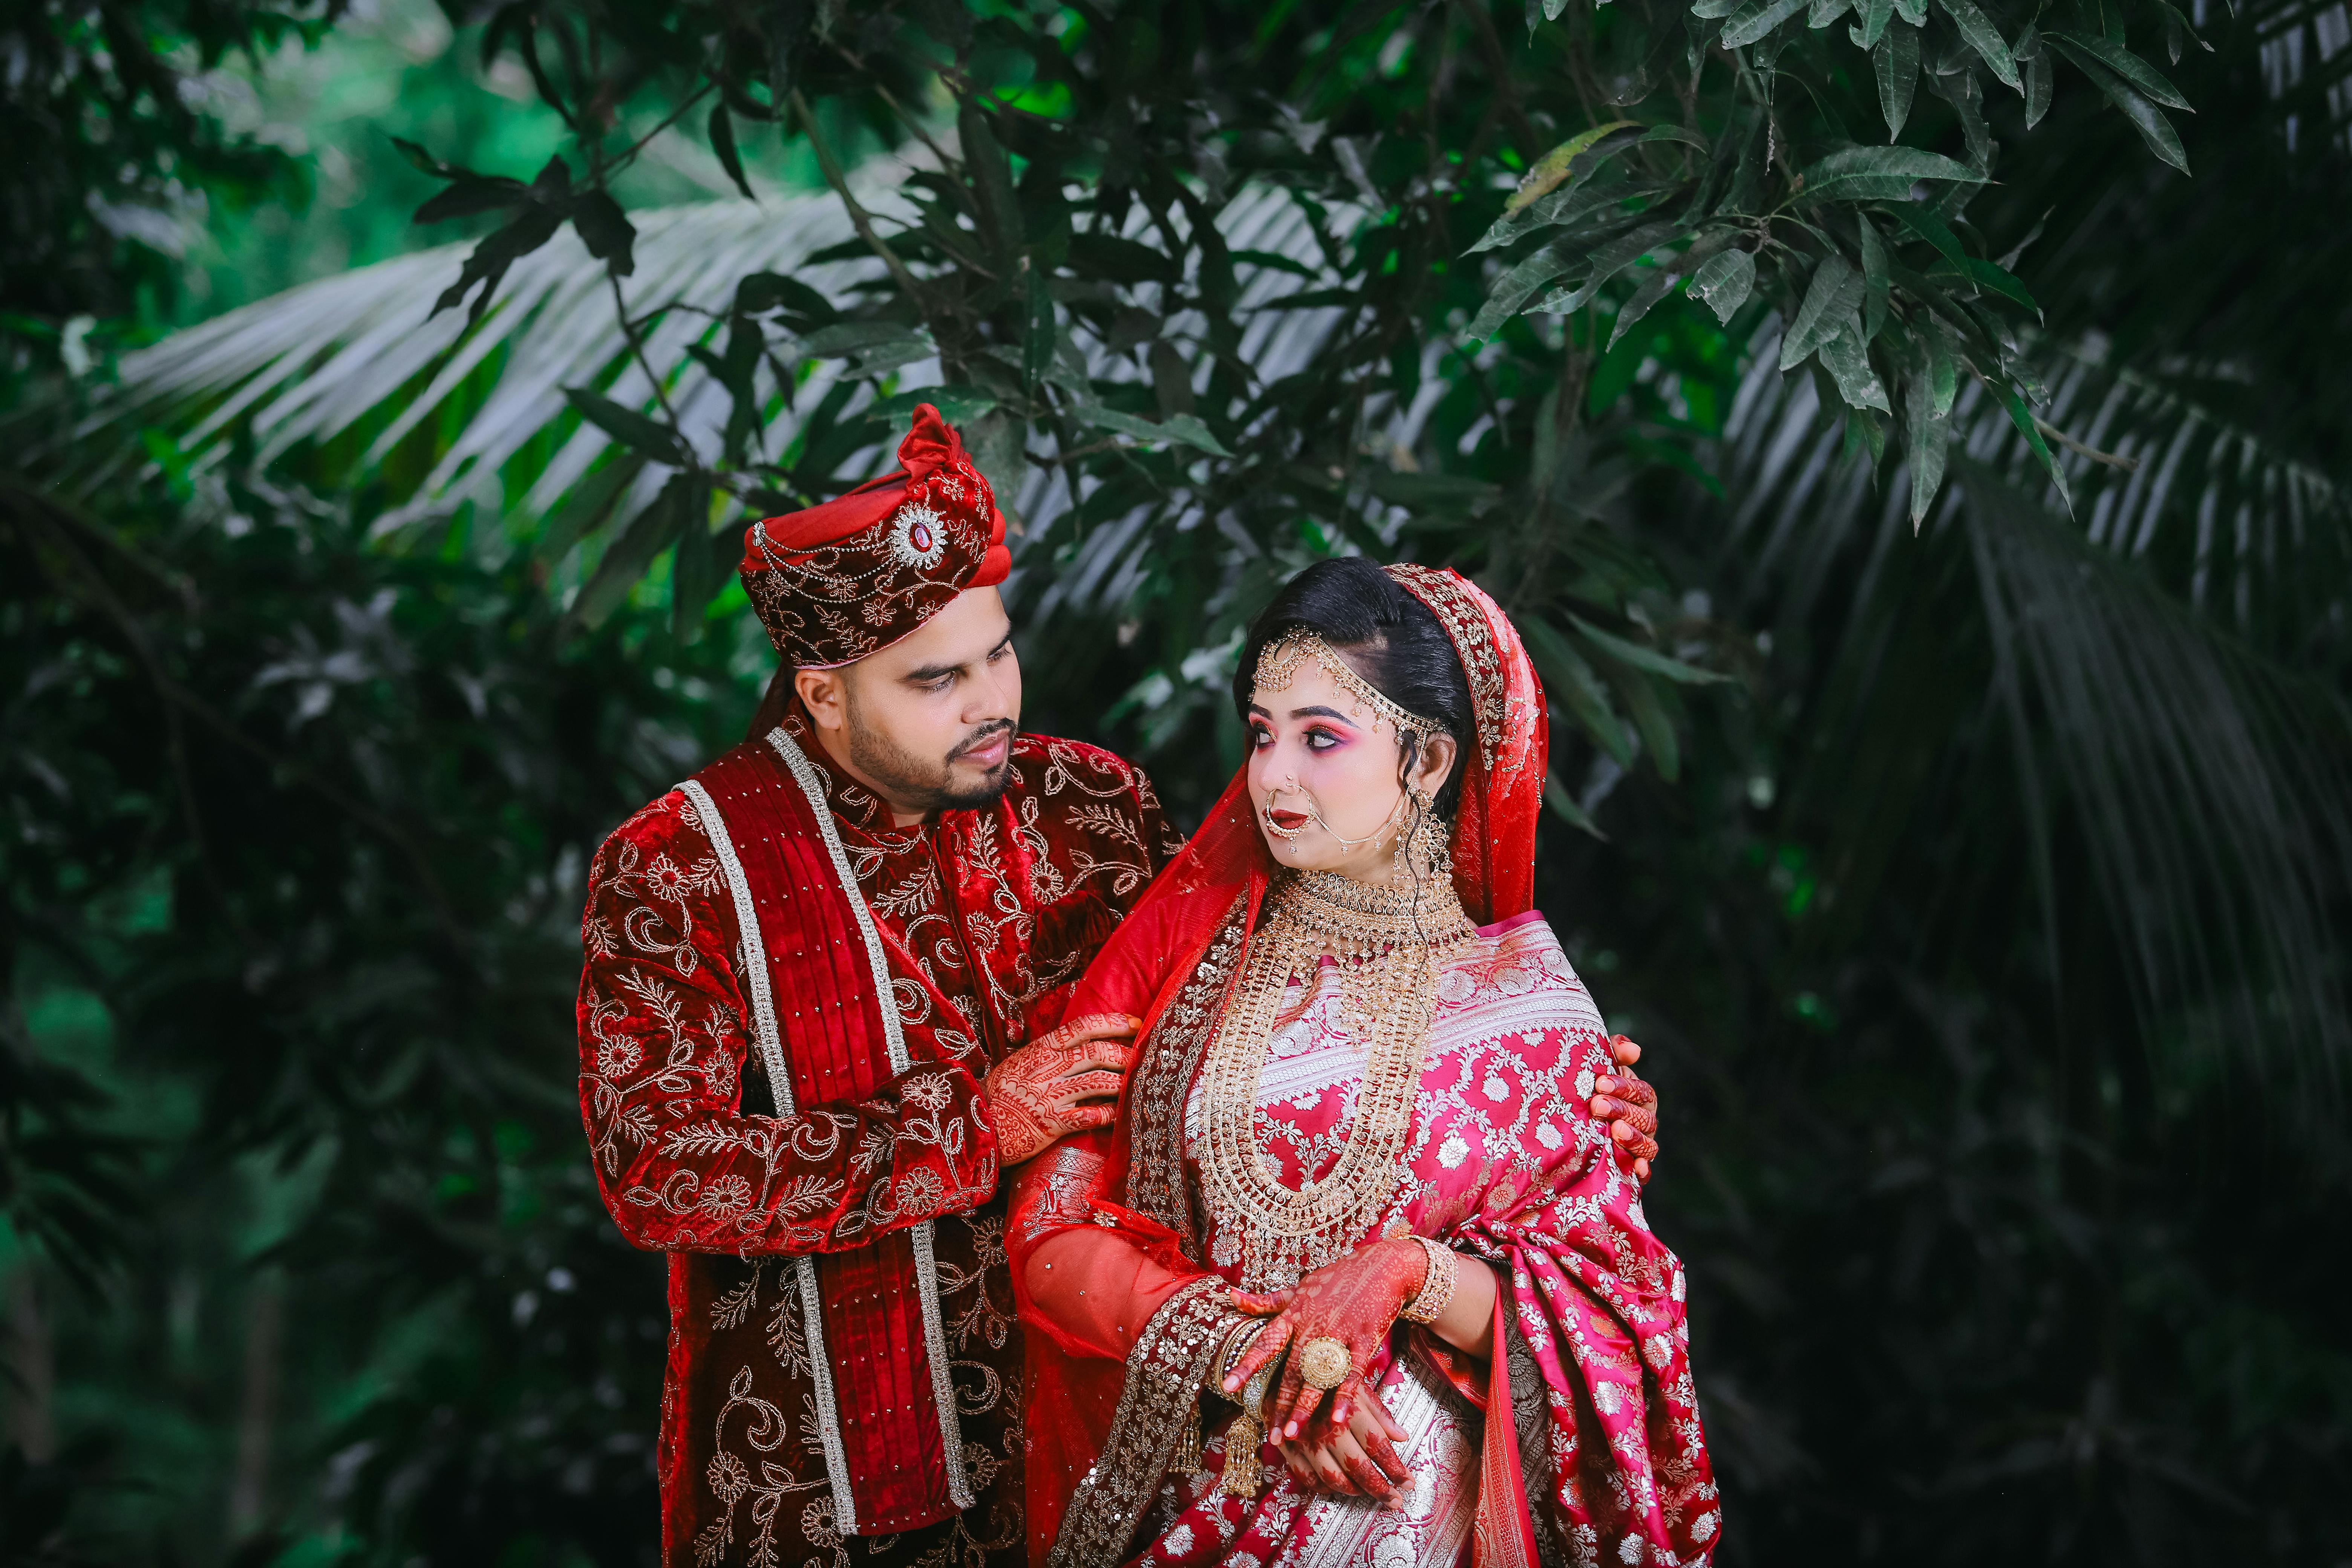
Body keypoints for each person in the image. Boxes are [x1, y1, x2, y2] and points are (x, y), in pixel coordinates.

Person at [576, 406, 1665, 1568]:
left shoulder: (1088, 808)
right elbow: (653, 1170)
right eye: (938, 678)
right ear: (823, 692)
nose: (993, 698)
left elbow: (1258, 1024)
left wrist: (1548, 1117)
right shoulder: (685, 867)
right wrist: (974, 1128)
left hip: (1124, 1445)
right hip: (822, 1479)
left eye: (999, 649)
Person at [1007, 559, 1714, 1568]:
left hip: (1424, 1519)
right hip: (1210, 1491)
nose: (1273, 776)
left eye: (1321, 738)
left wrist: (1409, 1273)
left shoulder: (1534, 1009)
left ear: (1427, 762)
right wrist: (1259, 1360)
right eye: (1262, 733)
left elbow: (1608, 1308)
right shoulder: (1182, 964)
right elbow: (1048, 1239)